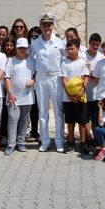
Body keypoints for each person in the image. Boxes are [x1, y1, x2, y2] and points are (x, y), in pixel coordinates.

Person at [29, 13, 66, 152]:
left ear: (53, 25)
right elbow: (30, 59)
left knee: (58, 111)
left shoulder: (60, 42)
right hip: (41, 78)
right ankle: (44, 141)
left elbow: (65, 59)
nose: (46, 27)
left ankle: (59, 141)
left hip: (55, 78)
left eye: (49, 24)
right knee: (43, 110)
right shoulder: (35, 42)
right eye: (44, 24)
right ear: (40, 26)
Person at [4, 38, 36, 156]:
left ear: (27, 49)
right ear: (16, 49)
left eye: (24, 48)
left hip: (27, 97)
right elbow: (6, 77)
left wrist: (33, 81)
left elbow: (36, 75)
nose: (22, 50)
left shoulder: (32, 61)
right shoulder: (11, 61)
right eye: (20, 48)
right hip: (14, 97)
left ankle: (20, 142)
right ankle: (11, 144)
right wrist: (10, 93)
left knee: (24, 120)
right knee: (13, 119)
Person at [59, 38, 90, 154]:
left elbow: (86, 78)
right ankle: (70, 142)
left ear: (78, 49)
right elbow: (64, 80)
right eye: (68, 49)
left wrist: (81, 91)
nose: (70, 51)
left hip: (81, 97)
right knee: (70, 121)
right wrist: (69, 94)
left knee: (82, 121)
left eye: (72, 49)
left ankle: (83, 143)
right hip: (68, 98)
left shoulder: (83, 62)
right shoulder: (64, 63)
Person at [84, 33, 103, 144]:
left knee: (95, 119)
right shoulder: (82, 55)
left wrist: (92, 74)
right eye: (93, 44)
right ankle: (88, 138)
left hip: (96, 94)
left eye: (97, 45)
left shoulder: (101, 57)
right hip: (84, 93)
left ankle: (96, 139)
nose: (95, 46)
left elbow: (101, 76)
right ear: (89, 43)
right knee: (86, 119)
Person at [27, 25, 42, 141]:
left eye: (36, 36)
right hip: (28, 82)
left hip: (39, 82)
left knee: (37, 108)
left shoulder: (42, 48)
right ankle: (27, 131)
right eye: (31, 36)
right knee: (28, 108)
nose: (33, 38)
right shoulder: (27, 48)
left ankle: (35, 131)